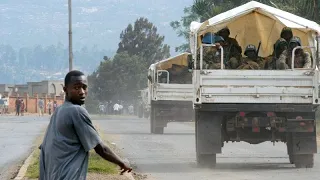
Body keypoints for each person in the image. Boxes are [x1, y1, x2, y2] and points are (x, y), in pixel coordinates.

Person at [39, 70, 132, 180]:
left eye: (84, 87)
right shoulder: (77, 111)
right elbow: (101, 149)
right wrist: (122, 163)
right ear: (65, 90)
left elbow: (44, 147)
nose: (82, 92)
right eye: (77, 87)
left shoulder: (59, 110)